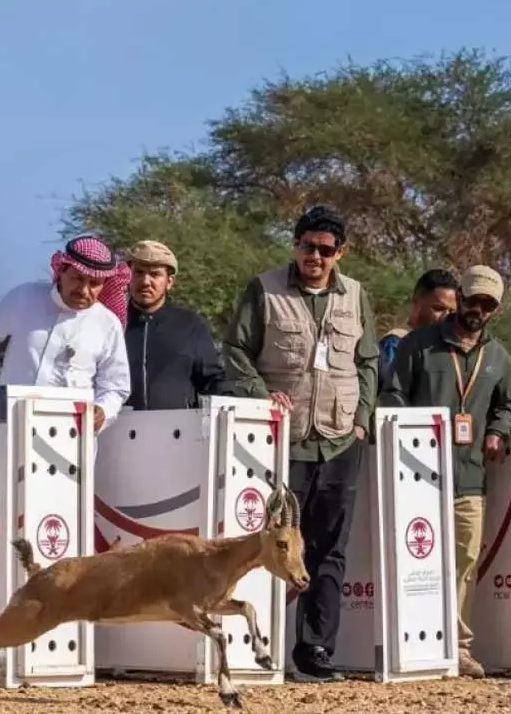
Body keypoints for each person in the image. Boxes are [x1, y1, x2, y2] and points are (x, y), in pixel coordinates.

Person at [219, 205, 378, 683]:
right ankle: (254, 648)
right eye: (308, 246)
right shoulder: (264, 289)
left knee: (329, 549)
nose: (316, 256)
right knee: (270, 545)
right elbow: (235, 350)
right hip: (281, 443)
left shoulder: (356, 295)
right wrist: (260, 394)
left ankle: (315, 652)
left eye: (326, 250)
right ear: (295, 245)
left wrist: (361, 421)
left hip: (339, 441)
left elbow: (367, 362)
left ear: (340, 253)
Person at [380, 264, 511, 679]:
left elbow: (507, 405)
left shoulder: (499, 356)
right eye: (473, 301)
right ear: (460, 297)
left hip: (470, 476)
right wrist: (414, 436)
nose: (479, 311)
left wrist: (497, 432)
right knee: (415, 556)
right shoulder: (419, 344)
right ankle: (412, 642)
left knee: (464, 560)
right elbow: (393, 396)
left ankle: (457, 647)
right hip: (418, 476)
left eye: (488, 305)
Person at [0, 235, 131, 433]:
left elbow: (116, 386)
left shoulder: (108, 323)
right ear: (62, 271)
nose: (84, 290)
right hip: (13, 428)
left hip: (71, 434)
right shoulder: (25, 298)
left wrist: (103, 410)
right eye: (77, 278)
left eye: (94, 283)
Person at [124, 239, 233, 410]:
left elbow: (211, 380)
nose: (145, 281)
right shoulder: (111, 323)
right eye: (138, 273)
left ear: (169, 282)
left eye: (155, 274)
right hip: (118, 424)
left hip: (178, 425)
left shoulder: (190, 324)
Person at [378, 268, 459, 387]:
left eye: (452, 311)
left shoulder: (451, 353)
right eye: (438, 308)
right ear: (416, 303)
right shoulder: (395, 344)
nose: (446, 316)